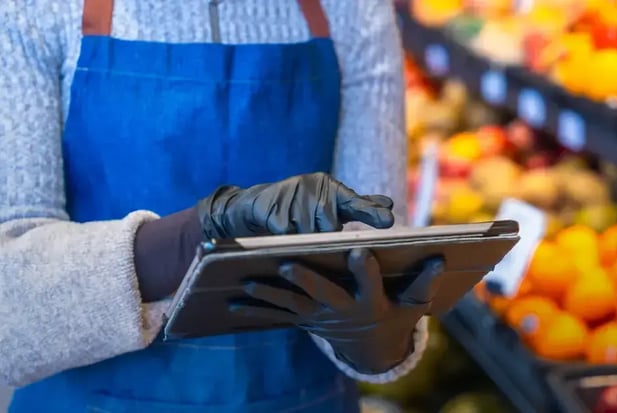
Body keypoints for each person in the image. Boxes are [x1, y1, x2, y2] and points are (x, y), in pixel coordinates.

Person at [0, 0, 444, 411]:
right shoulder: (35, 9)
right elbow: (9, 310)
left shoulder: (352, 8)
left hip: (302, 398)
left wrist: (377, 332)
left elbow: (377, 241)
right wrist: (195, 236)